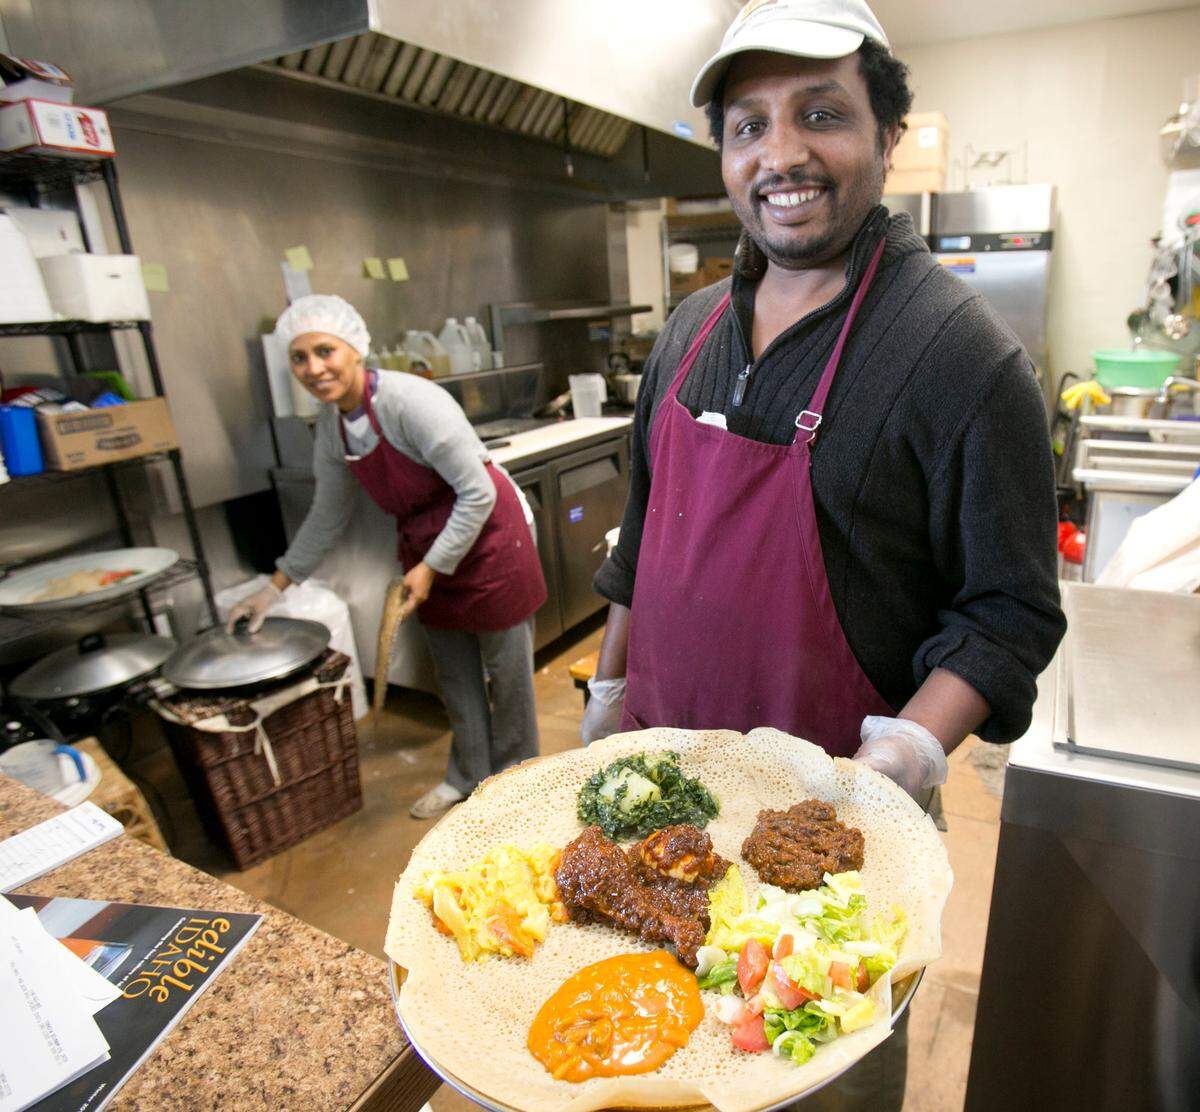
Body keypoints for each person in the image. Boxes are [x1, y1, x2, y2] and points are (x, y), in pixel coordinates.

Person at [584, 2, 1067, 1098]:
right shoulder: (688, 332)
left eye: (821, 115)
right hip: (664, 804)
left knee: (808, 1077)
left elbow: (1009, 614)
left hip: (831, 838)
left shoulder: (963, 359)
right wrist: (608, 694)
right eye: (748, 126)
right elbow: (643, 532)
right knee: (657, 1070)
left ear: (887, 134)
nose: (781, 154)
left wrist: (898, 762)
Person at [229, 295, 546, 819]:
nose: (314, 368)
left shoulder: (409, 401)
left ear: (355, 348)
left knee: (507, 677)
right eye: (300, 358)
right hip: (426, 550)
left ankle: (520, 786)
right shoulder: (332, 427)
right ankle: (467, 777)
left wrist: (432, 566)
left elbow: (477, 492)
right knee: (454, 675)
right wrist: (272, 589)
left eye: (325, 351)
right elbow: (326, 516)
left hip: (489, 538)